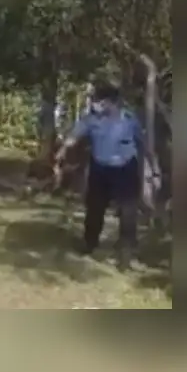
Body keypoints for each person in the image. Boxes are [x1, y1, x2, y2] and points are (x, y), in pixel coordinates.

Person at [54, 83, 147, 270]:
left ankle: (126, 254)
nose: (96, 104)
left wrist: (148, 169)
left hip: (125, 168)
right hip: (100, 169)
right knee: (95, 207)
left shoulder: (129, 120)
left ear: (112, 103)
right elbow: (74, 136)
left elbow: (143, 144)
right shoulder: (91, 120)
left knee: (128, 212)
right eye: (95, 101)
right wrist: (63, 150)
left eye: (99, 101)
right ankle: (89, 243)